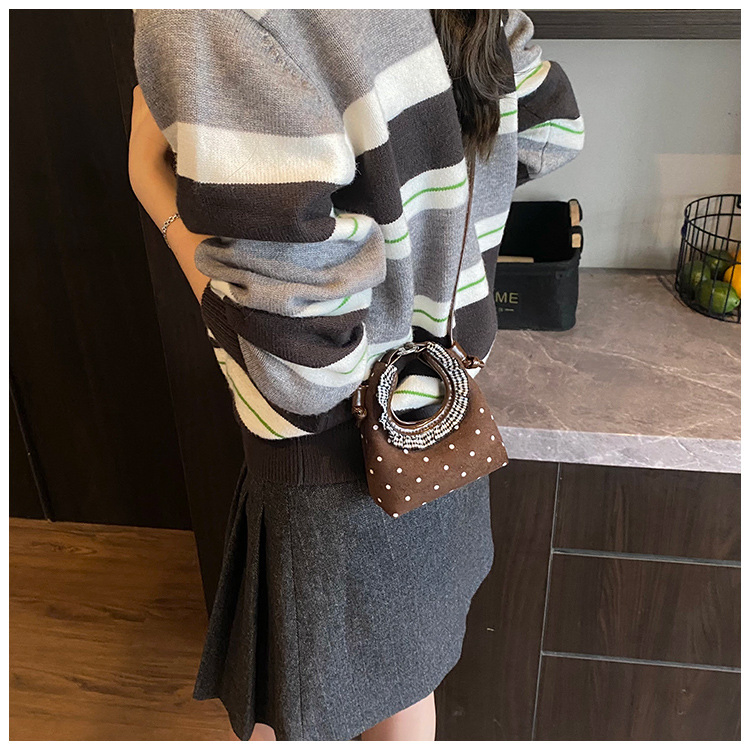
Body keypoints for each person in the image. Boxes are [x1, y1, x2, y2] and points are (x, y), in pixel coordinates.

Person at [129, 9, 583, 742]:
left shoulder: (213, 17)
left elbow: (299, 365)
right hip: (441, 423)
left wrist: (154, 189)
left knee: (303, 715)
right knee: (405, 687)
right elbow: (547, 128)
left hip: (331, 461)